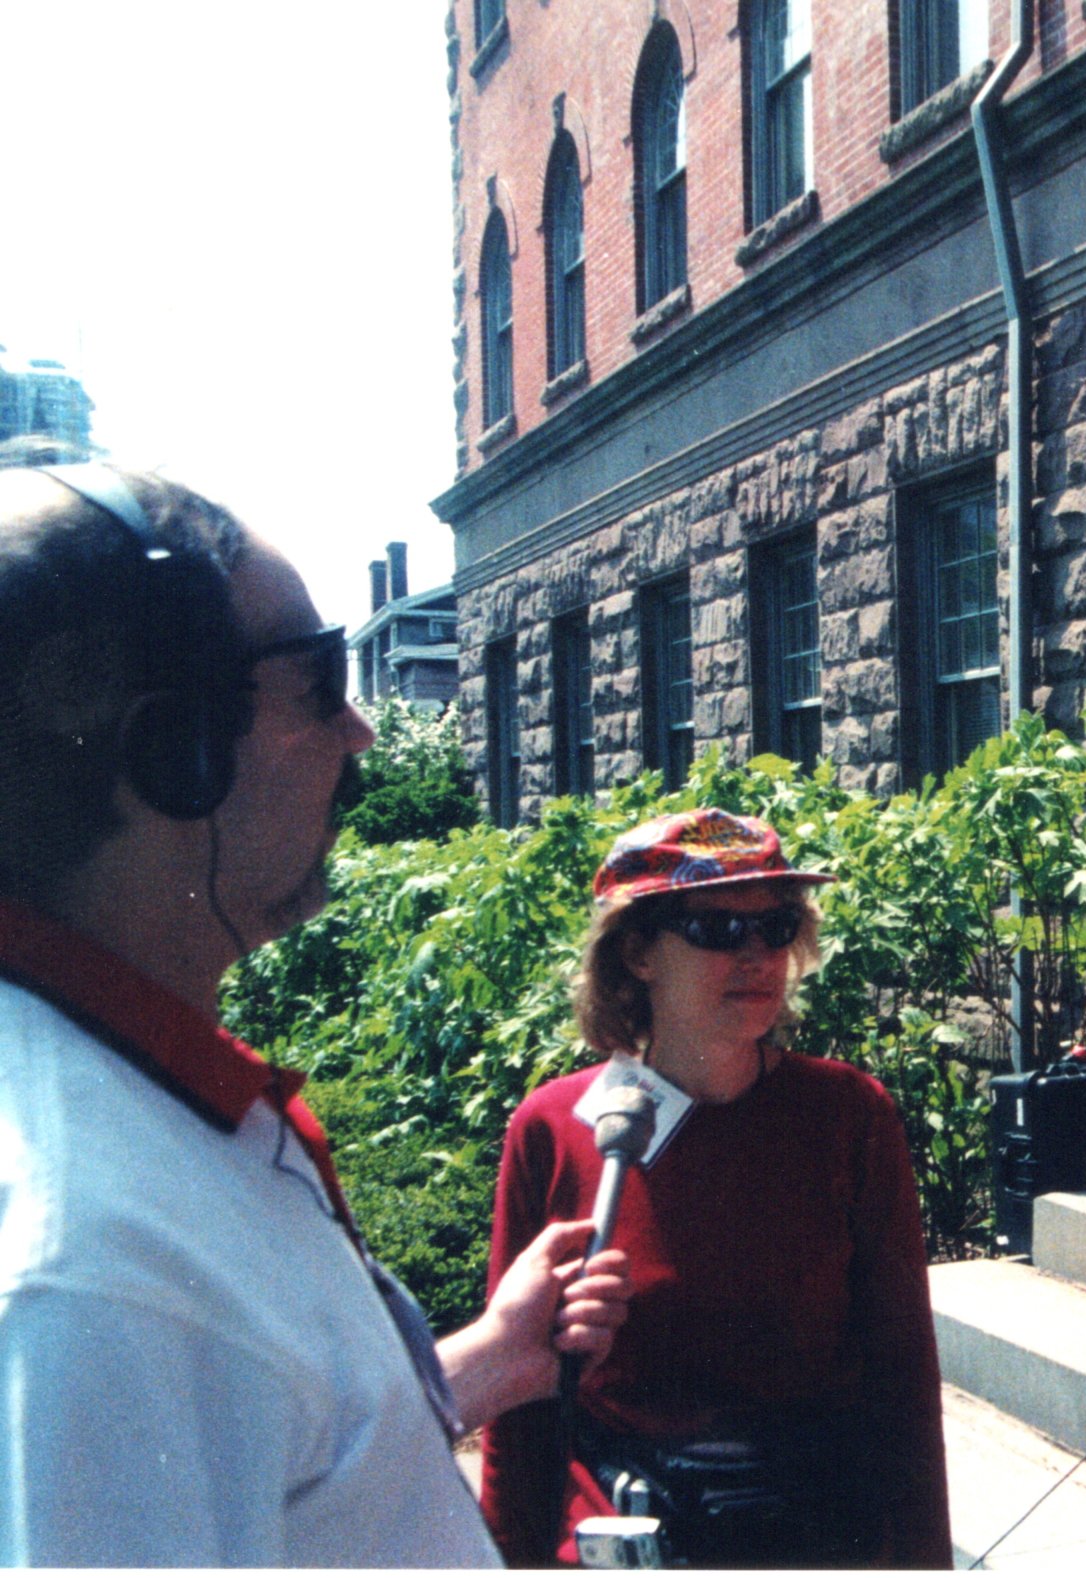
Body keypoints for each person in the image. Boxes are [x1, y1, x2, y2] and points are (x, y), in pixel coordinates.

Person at [0, 463, 631, 1564]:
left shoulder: (124, 1117)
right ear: (177, 752)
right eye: (317, 682)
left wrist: (486, 1358)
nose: (362, 734)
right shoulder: (90, 1276)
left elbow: (267, 1440)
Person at [476, 807, 953, 1567]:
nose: (758, 954)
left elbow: (902, 1384)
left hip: (808, 1537)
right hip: (626, 1533)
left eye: (777, 925)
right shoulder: (555, 1129)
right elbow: (520, 1403)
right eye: (718, 930)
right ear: (637, 953)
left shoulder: (848, 1115)